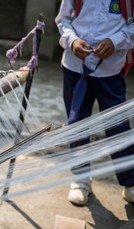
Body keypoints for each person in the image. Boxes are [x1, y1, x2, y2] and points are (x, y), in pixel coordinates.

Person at [55, 0, 134, 206]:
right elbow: (64, 19)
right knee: (77, 124)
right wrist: (72, 41)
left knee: (118, 126)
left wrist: (115, 41)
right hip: (74, 66)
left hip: (110, 70)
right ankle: (80, 179)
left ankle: (130, 183)